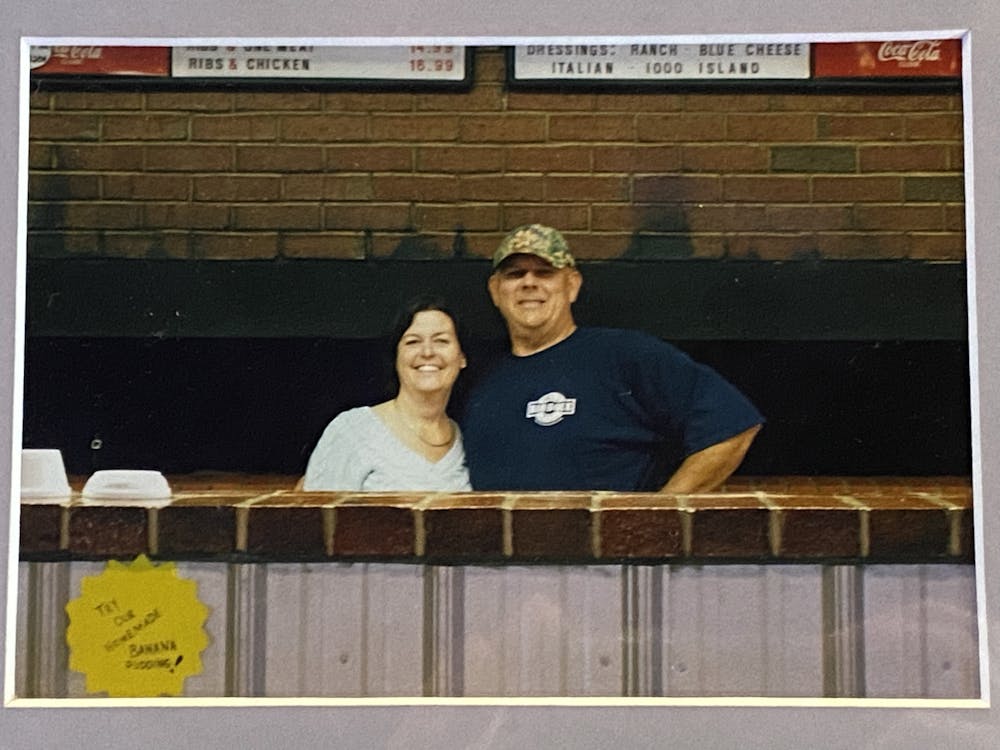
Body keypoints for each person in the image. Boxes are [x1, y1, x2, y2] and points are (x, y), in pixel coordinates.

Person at [461, 224, 763, 493]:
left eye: (545, 272)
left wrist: (661, 515)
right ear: (495, 291)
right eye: (515, 274)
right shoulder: (477, 375)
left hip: (608, 555)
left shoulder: (625, 355)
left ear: (572, 285)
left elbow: (734, 424)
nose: (529, 282)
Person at [301, 296, 471, 491]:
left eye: (441, 341)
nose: (427, 352)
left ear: (462, 358)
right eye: (413, 342)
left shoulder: (466, 440)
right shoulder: (352, 430)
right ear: (396, 358)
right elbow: (316, 518)